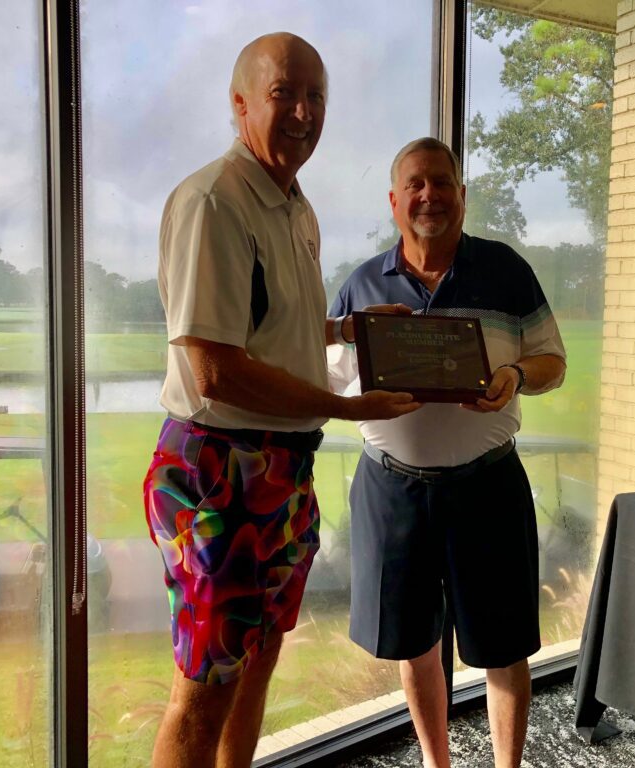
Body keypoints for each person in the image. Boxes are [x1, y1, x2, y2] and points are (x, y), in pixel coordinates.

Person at [144, 33, 420, 768]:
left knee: (260, 653)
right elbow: (216, 371)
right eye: (283, 94)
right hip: (218, 470)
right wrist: (350, 408)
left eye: (315, 97)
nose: (303, 112)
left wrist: (346, 329)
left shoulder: (294, 205)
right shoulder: (214, 201)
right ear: (240, 105)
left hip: (282, 470)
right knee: (205, 688)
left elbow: (262, 328)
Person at [328, 137, 567, 768]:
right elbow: (327, 379)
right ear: (394, 200)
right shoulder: (360, 285)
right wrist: (359, 400)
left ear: (461, 195)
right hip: (391, 491)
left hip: (488, 486)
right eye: (415, 184)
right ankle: (438, 765)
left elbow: (553, 360)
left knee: (504, 646)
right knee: (415, 644)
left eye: (441, 183)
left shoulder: (506, 269)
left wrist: (516, 373)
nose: (428, 195)